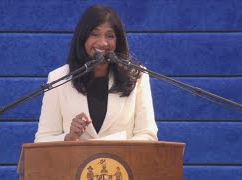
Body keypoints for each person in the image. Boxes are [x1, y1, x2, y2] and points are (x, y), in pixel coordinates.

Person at [34, 4, 157, 142]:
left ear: (118, 41)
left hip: (123, 163)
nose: (103, 43)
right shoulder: (59, 78)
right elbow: (43, 139)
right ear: (83, 37)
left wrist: (118, 153)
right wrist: (68, 138)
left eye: (110, 36)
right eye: (95, 34)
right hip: (75, 163)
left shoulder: (137, 75)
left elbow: (148, 135)